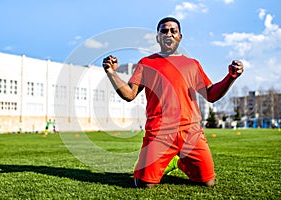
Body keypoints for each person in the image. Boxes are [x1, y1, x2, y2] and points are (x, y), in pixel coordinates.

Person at [102, 17, 243, 188]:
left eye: (173, 31)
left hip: (191, 131)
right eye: (164, 31)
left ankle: (179, 161)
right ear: (158, 37)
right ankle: (168, 161)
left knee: (208, 183)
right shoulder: (146, 63)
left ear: (179, 37)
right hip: (159, 132)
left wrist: (231, 77)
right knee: (144, 185)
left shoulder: (192, 64)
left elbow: (211, 94)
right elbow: (130, 94)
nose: (168, 34)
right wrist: (111, 73)